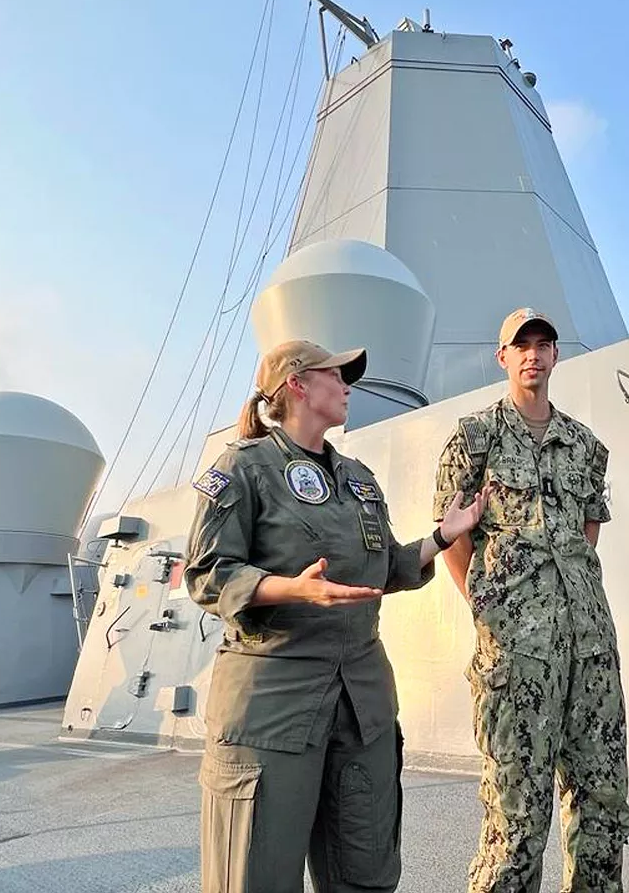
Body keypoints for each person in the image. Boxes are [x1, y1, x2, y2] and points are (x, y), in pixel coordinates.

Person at [185, 339, 485, 893]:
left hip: (361, 702)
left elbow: (385, 567)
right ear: (297, 384)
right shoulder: (243, 468)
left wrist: (445, 534)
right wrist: (294, 590)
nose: (348, 385)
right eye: (336, 374)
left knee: (364, 874)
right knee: (255, 875)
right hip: (274, 703)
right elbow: (206, 573)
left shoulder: (358, 478)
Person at [433, 308, 629, 893]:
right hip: (517, 653)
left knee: (602, 799)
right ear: (503, 357)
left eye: (544, 345)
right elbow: (451, 534)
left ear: (555, 357)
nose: (534, 355)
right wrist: (492, 603)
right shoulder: (475, 437)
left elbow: (587, 528)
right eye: (521, 346)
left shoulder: (585, 447)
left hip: (591, 646)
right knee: (516, 812)